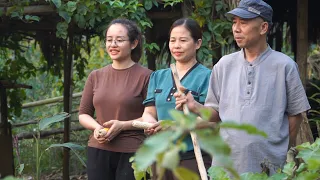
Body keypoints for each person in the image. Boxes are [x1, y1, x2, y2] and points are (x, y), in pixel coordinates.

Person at [203, 0, 310, 175]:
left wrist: (277, 147)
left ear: (263, 28)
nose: (236, 28)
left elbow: (295, 116)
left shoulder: (284, 65)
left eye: (243, 22)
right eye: (234, 22)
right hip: (225, 166)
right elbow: (214, 113)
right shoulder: (223, 65)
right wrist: (193, 106)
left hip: (268, 166)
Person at [78, 18, 152, 180]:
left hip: (133, 153)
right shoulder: (96, 76)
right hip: (98, 150)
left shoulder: (147, 76)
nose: (113, 45)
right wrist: (96, 128)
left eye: (119, 40)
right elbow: (83, 114)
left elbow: (150, 118)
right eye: (109, 40)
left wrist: (123, 126)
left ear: (133, 43)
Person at [142, 18, 212, 180]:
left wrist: (175, 127)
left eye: (183, 40)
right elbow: (149, 112)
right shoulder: (158, 76)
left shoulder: (207, 77)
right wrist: (150, 123)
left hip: (192, 156)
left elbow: (212, 120)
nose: (176, 46)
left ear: (198, 43)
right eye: (172, 40)